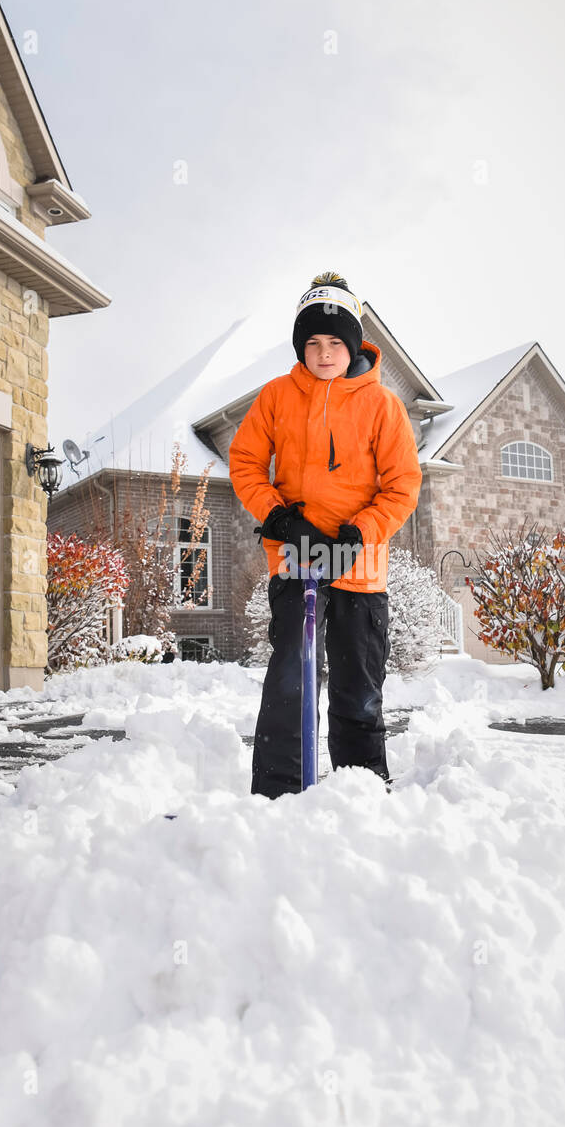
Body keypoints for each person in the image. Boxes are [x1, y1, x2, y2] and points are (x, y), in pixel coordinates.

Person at [229, 271, 422, 798]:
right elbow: (245, 461)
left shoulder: (383, 406)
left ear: (353, 344)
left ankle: (361, 794)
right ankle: (277, 794)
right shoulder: (276, 396)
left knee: (359, 690)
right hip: (297, 560)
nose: (323, 353)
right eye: (312, 342)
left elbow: (403, 485)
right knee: (290, 681)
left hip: (359, 569)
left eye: (335, 341)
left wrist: (359, 533)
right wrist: (281, 518)